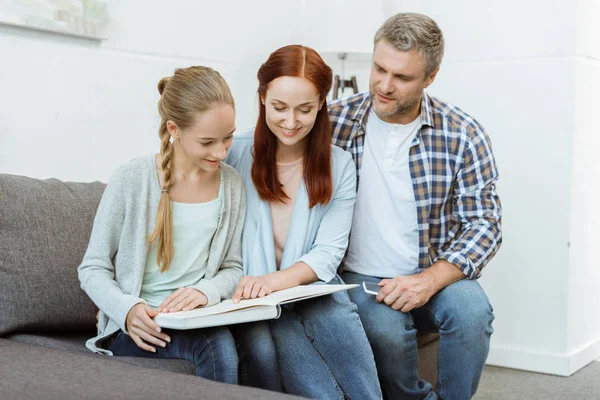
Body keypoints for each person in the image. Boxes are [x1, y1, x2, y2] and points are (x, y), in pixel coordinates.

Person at [329, 13, 502, 400]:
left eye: (402, 77)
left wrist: (429, 281)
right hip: (360, 277)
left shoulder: (463, 134)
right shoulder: (333, 123)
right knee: (386, 331)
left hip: (432, 273)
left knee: (473, 313)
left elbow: (485, 224)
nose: (384, 86)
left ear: (430, 77)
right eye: (378, 68)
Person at [225, 45, 382, 399]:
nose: (291, 122)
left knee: (342, 330)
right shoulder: (233, 153)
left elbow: (328, 252)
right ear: (262, 97)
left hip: (309, 287)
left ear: (322, 105)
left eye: (305, 109)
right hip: (257, 301)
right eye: (279, 108)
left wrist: (274, 281)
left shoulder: (338, 164)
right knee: (319, 388)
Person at [78, 66, 246, 384]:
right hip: (139, 326)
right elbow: (92, 268)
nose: (222, 152)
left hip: (198, 318)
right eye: (208, 141)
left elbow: (233, 268)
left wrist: (205, 290)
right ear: (174, 128)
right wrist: (126, 310)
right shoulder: (132, 179)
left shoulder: (232, 184)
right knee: (217, 346)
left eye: (228, 138)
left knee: (258, 344)